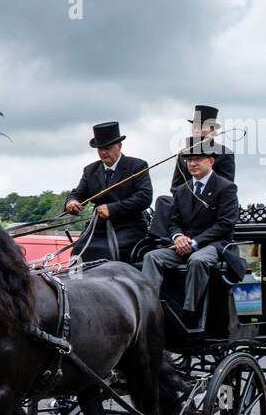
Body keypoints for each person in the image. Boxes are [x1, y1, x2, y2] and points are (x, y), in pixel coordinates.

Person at [141, 146, 239, 330]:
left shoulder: (226, 188)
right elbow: (173, 222)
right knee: (152, 257)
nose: (192, 164)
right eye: (189, 160)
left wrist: (195, 242)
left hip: (214, 245)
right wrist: (178, 237)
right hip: (184, 245)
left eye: (198, 160)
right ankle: (148, 307)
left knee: (197, 261)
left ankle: (189, 312)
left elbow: (225, 225)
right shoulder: (182, 190)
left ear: (210, 161)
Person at [64, 121, 152, 263]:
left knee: (106, 252)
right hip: (98, 228)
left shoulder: (137, 166)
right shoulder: (90, 170)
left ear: (119, 146)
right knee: (78, 250)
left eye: (108, 148)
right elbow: (78, 193)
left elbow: (144, 197)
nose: (104, 152)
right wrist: (71, 202)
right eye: (100, 149)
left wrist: (112, 209)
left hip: (128, 227)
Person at [170, 104, 235, 190]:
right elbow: (175, 186)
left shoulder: (224, 153)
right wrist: (186, 199)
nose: (196, 130)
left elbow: (226, 185)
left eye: (201, 127)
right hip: (185, 200)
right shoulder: (183, 153)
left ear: (212, 129)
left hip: (212, 200)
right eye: (195, 126)